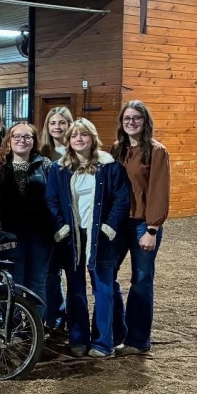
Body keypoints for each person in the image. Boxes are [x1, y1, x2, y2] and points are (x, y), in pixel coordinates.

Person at [44, 118, 130, 358]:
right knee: (75, 288)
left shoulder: (110, 166)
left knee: (103, 288)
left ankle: (104, 341)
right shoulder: (59, 168)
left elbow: (122, 199)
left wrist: (108, 227)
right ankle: (78, 337)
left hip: (100, 236)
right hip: (73, 237)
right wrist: (61, 227)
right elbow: (51, 200)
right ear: (69, 141)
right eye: (74, 136)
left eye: (84, 135)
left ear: (93, 138)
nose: (79, 139)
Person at [109, 100, 170, 356]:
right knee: (106, 275)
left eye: (136, 118)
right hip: (118, 223)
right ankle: (115, 332)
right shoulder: (116, 150)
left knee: (141, 280)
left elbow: (158, 190)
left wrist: (152, 228)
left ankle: (138, 340)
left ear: (145, 122)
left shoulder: (156, 151)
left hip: (143, 224)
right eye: (127, 118)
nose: (131, 122)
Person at [0, 122, 54, 325]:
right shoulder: (0, 166)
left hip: (41, 234)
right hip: (11, 235)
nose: (22, 140)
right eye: (17, 136)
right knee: (13, 282)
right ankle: (12, 326)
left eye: (27, 137)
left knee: (37, 282)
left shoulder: (45, 165)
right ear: (9, 141)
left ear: (34, 140)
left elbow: (54, 198)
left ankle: (34, 328)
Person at [38, 106, 74, 329]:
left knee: (73, 273)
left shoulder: (78, 150)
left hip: (72, 219)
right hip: (49, 220)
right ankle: (54, 317)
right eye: (53, 123)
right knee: (50, 273)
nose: (57, 127)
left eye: (62, 122)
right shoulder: (42, 152)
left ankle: (74, 319)